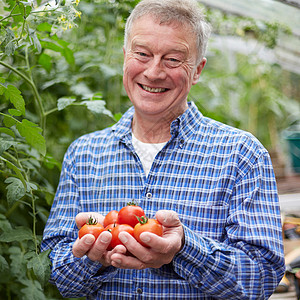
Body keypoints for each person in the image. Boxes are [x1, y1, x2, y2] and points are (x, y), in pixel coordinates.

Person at [41, 0, 285, 298]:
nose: (154, 72)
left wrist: (183, 249)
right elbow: (55, 272)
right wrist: (90, 257)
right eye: (142, 54)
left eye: (172, 59)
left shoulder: (241, 154)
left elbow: (261, 278)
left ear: (197, 70)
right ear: (125, 58)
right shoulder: (84, 154)